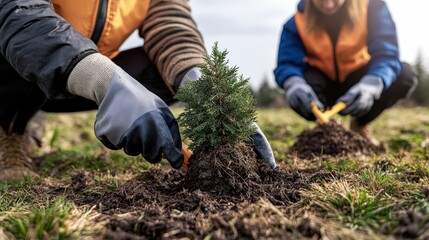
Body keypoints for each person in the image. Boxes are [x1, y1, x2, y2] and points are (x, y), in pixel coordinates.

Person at [0, 0, 276, 180]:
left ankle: (29, 114)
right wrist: (102, 79)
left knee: (167, 71)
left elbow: (170, 22)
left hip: (79, 70)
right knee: (19, 43)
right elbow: (19, 15)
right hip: (24, 59)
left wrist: (199, 81)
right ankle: (11, 130)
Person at [274, 0, 418, 144]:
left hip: (358, 85)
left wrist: (372, 83)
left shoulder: (372, 8)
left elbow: (387, 55)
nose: (329, 5)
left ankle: (360, 122)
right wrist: (293, 83)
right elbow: (287, 64)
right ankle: (324, 128)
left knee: (405, 75)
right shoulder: (296, 23)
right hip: (320, 89)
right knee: (299, 80)